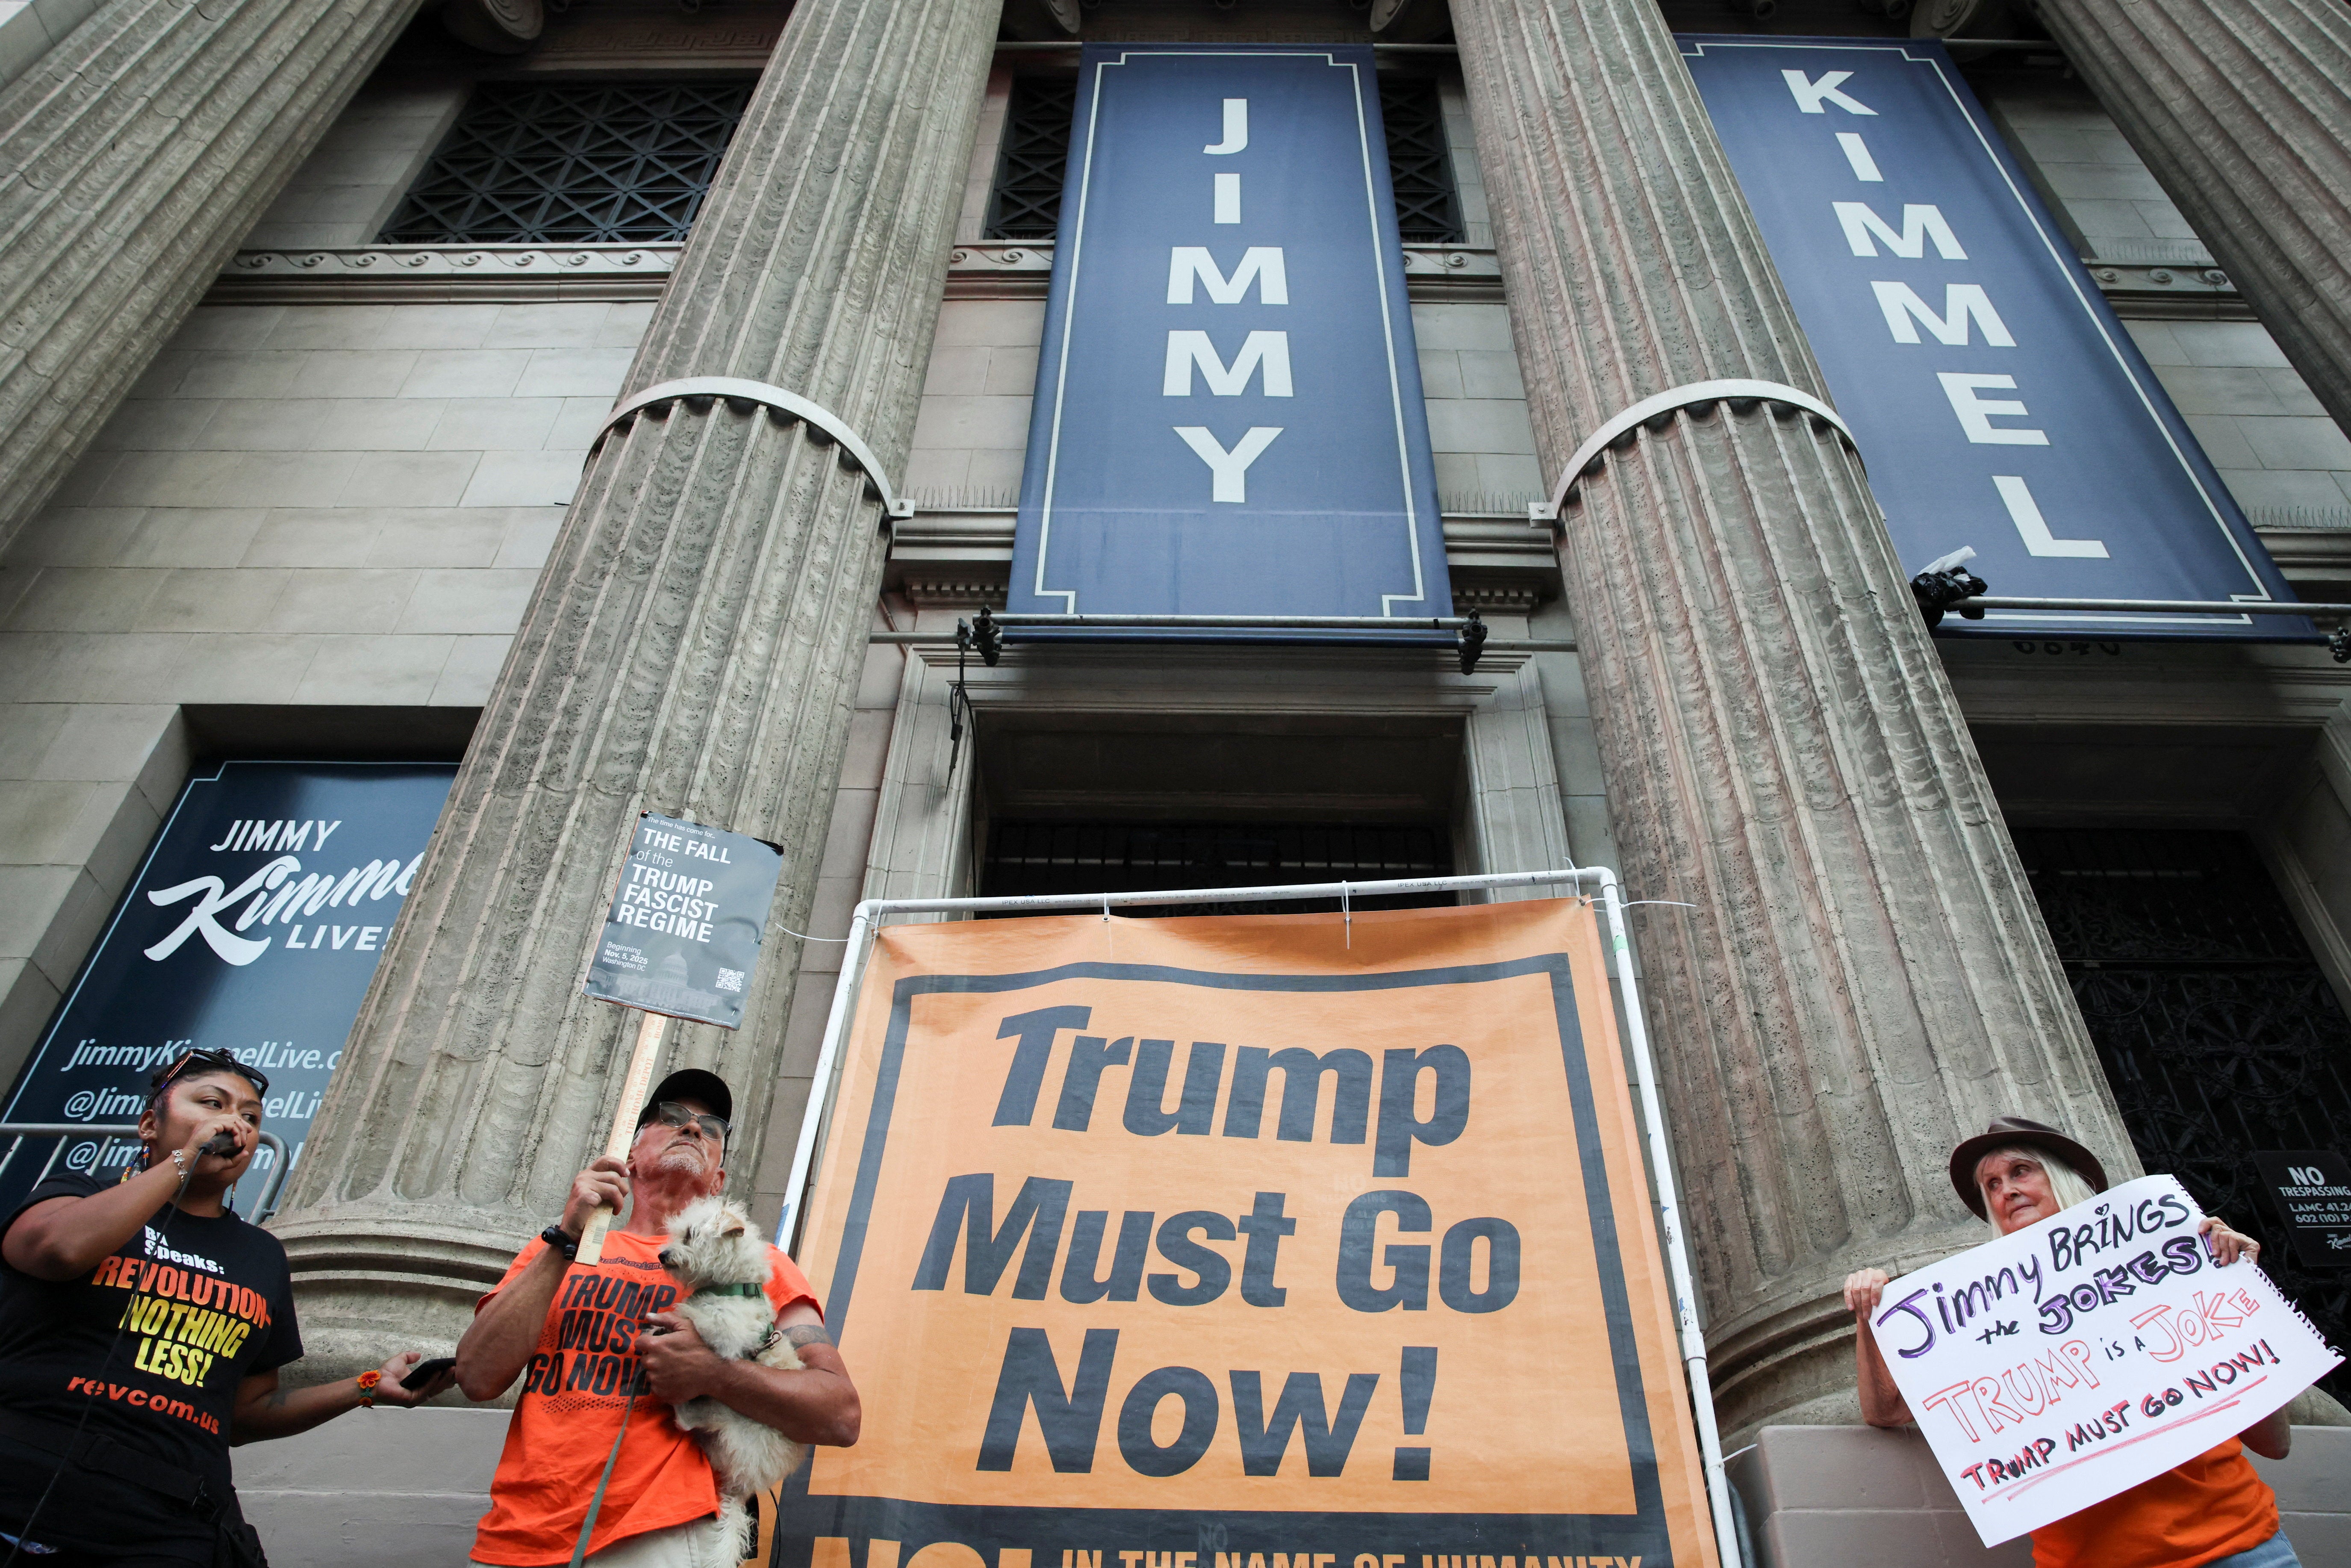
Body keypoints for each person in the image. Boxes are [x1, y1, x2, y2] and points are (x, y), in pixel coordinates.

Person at [0, 1046, 456, 1566]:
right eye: (212, 1103)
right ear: (150, 1124)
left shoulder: (261, 1255)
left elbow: (246, 1413)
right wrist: (181, 1161)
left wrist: (365, 1386)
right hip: (23, 1488)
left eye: (250, 1117)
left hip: (165, 1525)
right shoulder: (75, 1195)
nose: (233, 1122)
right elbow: (57, 1250)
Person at [1845, 1115, 2302, 1568]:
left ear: (2061, 1176)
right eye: (1992, 1184)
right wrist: (1870, 1314)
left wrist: (2242, 1291)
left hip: (2240, 1546)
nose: (2006, 1189)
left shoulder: (2164, 1266)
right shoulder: (1979, 1315)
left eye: (2021, 1170)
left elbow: (2273, 1443)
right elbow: (1884, 1411)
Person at [457, 1069, 859, 1568]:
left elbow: (840, 1414)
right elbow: (476, 1376)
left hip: (663, 1534)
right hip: (519, 1535)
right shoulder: (557, 1250)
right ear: (629, 1156)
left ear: (718, 1179)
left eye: (711, 1128)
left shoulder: (755, 1264)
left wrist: (717, 1374)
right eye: (671, 1117)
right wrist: (564, 1237)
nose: (692, 1128)